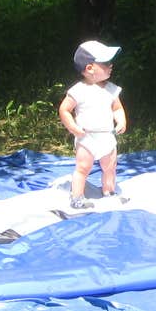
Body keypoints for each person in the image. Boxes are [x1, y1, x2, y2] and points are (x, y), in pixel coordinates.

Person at [58, 40, 128, 209]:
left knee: (110, 167)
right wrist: (73, 127)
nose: (111, 65)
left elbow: (117, 108)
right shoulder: (78, 90)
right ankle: (77, 197)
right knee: (82, 168)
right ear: (89, 68)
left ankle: (109, 192)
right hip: (87, 137)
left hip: (106, 137)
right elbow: (64, 110)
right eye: (105, 63)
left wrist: (121, 119)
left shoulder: (111, 89)